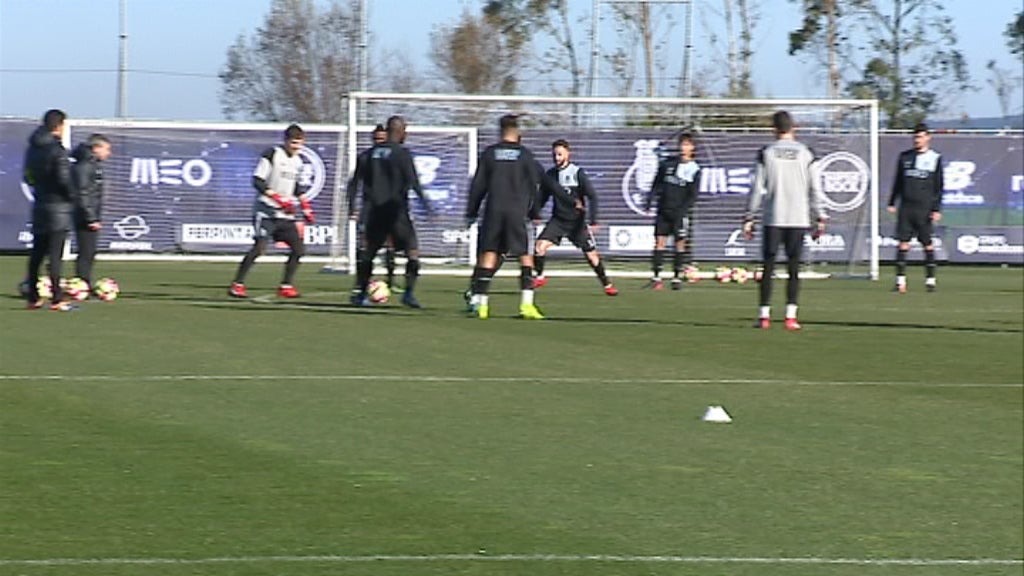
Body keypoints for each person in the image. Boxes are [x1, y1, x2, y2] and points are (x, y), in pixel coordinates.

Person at [743, 110, 827, 331]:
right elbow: (815, 188)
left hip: (774, 218)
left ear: (774, 129)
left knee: (768, 267)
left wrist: (749, 216)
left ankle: (764, 316)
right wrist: (820, 216)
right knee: (793, 268)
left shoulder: (766, 153)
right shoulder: (807, 153)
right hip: (798, 219)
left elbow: (757, 188)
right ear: (794, 128)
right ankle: (791, 316)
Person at [465, 114, 546, 320]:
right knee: (524, 256)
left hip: (493, 211)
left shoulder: (490, 154)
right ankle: (526, 305)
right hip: (516, 212)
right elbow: (536, 186)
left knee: (489, 253)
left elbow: (478, 186)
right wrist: (535, 211)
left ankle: (482, 305)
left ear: (499, 131)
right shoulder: (525, 155)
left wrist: (471, 212)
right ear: (516, 131)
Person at [350, 115, 430, 308]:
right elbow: (413, 182)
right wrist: (426, 204)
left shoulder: (367, 155)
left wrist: (352, 206)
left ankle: (361, 294)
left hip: (374, 213)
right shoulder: (403, 154)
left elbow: (353, 184)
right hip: (396, 212)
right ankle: (409, 293)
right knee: (412, 252)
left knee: (368, 254)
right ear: (402, 132)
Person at [228, 124, 314, 299]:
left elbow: (295, 186)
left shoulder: (298, 161)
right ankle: (237, 284)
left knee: (299, 250)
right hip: (265, 211)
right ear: (286, 140)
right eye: (293, 143)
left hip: (284, 215)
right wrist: (277, 198)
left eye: (299, 143)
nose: (296, 147)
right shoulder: (272, 154)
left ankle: (286, 285)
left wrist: (305, 205)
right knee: (259, 248)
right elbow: (257, 181)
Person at [533, 139, 617, 296]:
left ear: (567, 154)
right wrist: (536, 212)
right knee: (539, 247)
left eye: (559, 154)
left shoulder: (577, 173)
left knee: (592, 257)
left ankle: (607, 284)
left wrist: (593, 220)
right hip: (558, 221)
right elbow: (542, 197)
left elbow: (592, 196)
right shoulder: (550, 175)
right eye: (554, 155)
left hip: (576, 223)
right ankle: (540, 276)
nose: (556, 158)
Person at [23, 109, 75, 311]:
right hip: (58, 209)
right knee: (55, 255)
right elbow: (63, 180)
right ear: (59, 125)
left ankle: (33, 298)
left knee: (36, 254)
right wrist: (73, 197)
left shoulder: (33, 148)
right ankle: (57, 299)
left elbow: (27, 177)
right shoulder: (57, 150)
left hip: (40, 205)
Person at [887, 122, 943, 293]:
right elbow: (898, 181)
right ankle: (900, 282)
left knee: (927, 244)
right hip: (906, 207)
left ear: (928, 138)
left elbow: (939, 186)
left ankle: (930, 281)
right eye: (915, 137)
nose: (917, 140)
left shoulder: (935, 158)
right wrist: (891, 202)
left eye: (920, 136)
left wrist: (936, 209)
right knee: (903, 244)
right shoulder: (905, 157)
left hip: (924, 209)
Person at [645, 132, 701, 290]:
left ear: (693, 148)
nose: (685, 148)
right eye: (683, 144)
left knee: (679, 244)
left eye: (688, 145)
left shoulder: (694, 169)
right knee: (659, 242)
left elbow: (693, 195)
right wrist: (650, 200)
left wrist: (683, 211)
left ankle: (676, 278)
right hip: (663, 210)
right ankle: (656, 277)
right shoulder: (668, 164)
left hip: (680, 213)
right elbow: (656, 184)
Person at [347, 124, 397, 290]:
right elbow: (354, 183)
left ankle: (390, 280)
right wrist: (352, 206)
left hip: (389, 207)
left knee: (391, 244)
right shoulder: (365, 158)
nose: (379, 142)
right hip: (369, 208)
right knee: (364, 246)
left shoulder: (394, 158)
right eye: (376, 139)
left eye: (382, 139)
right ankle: (360, 283)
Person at [71, 133, 113, 290]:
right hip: (84, 215)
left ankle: (83, 284)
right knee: (86, 252)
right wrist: (90, 217)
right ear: (96, 148)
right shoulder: (85, 165)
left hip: (90, 214)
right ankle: (81, 286)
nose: (108, 153)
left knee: (89, 252)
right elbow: (82, 193)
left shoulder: (93, 164)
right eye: (106, 149)